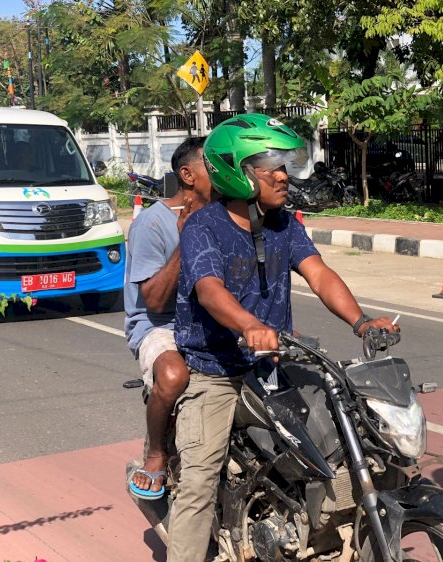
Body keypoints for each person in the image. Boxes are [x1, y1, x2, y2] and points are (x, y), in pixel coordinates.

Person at [166, 114, 399, 562]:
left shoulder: (284, 225)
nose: (282, 175)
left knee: (342, 434)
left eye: (284, 164)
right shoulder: (204, 227)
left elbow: (320, 274)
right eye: (270, 164)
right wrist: (248, 325)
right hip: (215, 371)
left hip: (272, 364)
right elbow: (210, 290)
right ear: (237, 170)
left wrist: (362, 322)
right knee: (197, 483)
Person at [124, 136, 214, 500]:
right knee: (174, 376)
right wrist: (186, 240)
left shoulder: (222, 215)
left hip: (206, 319)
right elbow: (156, 300)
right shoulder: (152, 223)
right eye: (215, 166)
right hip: (158, 325)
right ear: (188, 175)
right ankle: (156, 453)